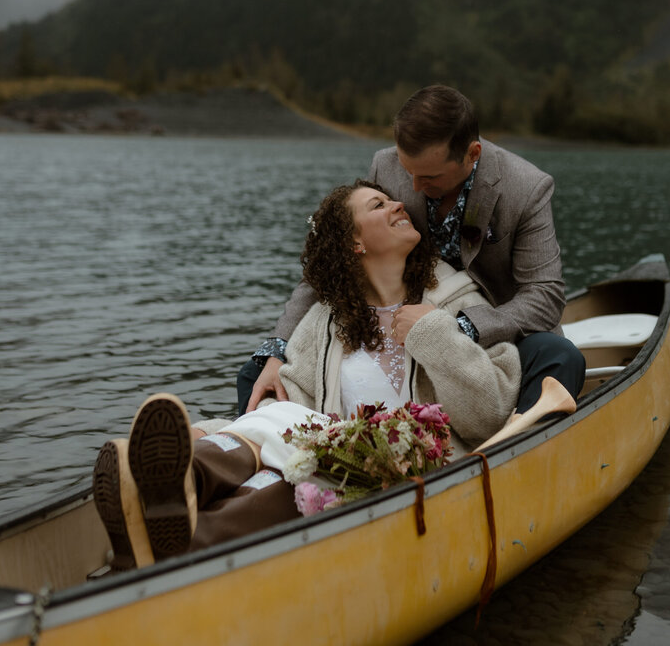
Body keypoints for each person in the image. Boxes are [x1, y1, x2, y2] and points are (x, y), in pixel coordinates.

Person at [94, 181, 523, 568]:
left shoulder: (460, 304)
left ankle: (186, 482)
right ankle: (179, 508)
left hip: (415, 481)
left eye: (393, 200)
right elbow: (286, 409)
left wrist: (432, 333)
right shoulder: (323, 324)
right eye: (379, 204)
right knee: (289, 472)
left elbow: (489, 413)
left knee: (302, 466)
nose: (398, 205)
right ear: (354, 242)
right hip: (329, 470)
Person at [239, 84, 584, 416]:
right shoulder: (385, 166)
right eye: (408, 172)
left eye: (430, 177)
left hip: (492, 335)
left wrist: (459, 327)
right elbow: (335, 259)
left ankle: (514, 450)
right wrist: (279, 349)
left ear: (472, 154)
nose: (412, 189)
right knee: (256, 375)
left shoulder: (526, 188)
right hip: (401, 328)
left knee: (559, 356)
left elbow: (545, 294)